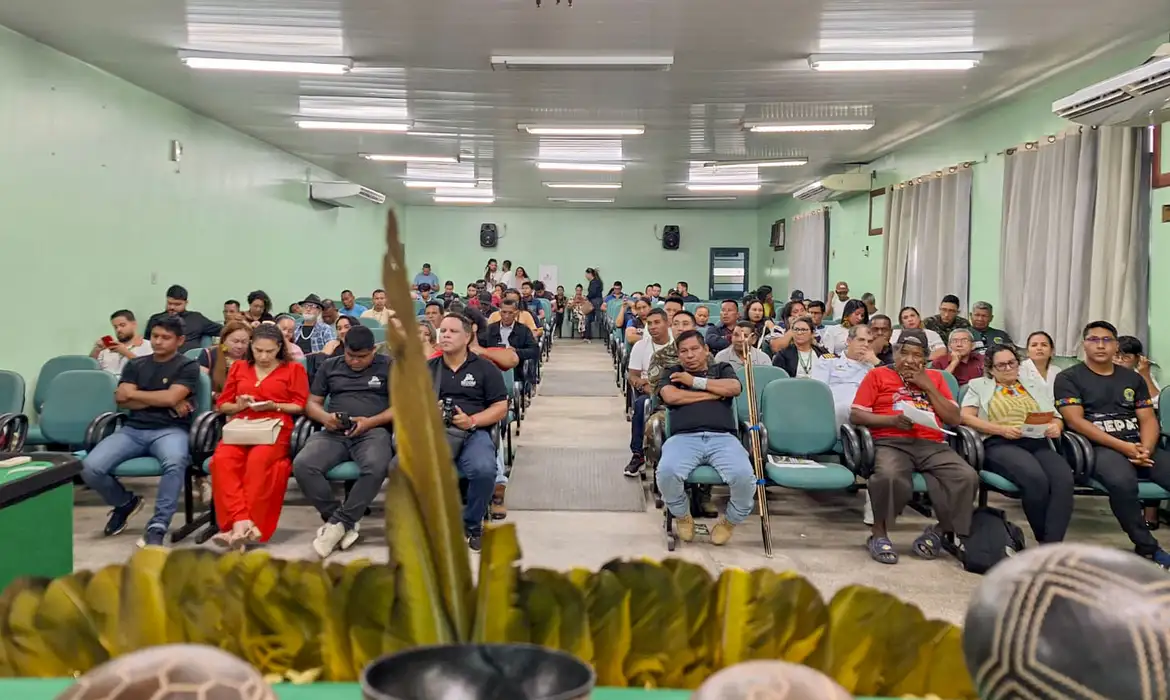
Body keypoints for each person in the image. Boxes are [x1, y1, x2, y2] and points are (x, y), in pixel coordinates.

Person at [849, 328, 977, 565]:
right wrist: (891, 421)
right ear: (895, 352)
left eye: (917, 355)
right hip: (891, 441)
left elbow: (953, 418)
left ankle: (939, 532)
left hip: (932, 443)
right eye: (904, 353)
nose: (909, 360)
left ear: (925, 358)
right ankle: (879, 534)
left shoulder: (936, 378)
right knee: (888, 476)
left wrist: (928, 387)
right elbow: (856, 415)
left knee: (966, 477)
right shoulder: (878, 375)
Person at [1055, 321, 1170, 568]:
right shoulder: (1068, 378)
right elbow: (1076, 422)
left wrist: (1146, 448)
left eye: (1107, 340)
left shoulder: (1133, 378)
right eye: (1093, 339)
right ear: (1084, 345)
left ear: (1116, 345)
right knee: (1123, 482)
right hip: (1096, 448)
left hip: (1138, 445)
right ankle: (1147, 546)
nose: (1100, 345)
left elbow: (1148, 419)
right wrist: (1124, 447)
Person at [80, 316, 200, 547]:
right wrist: (163, 399)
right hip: (133, 430)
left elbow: (169, 397)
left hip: (170, 430)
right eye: (155, 336)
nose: (158, 341)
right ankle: (125, 502)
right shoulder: (136, 364)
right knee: (89, 467)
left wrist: (140, 395)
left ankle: (158, 525)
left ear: (180, 340)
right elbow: (122, 399)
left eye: (166, 337)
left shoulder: (187, 366)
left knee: (175, 462)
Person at [293, 325, 394, 558]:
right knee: (303, 465)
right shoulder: (330, 366)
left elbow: (400, 407)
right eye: (350, 355)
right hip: (334, 431)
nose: (355, 361)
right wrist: (325, 418)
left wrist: (370, 422)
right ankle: (340, 521)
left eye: (362, 357)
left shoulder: (389, 366)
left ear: (374, 350)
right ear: (344, 348)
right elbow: (312, 403)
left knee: (376, 466)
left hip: (373, 430)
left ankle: (339, 523)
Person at [207, 324, 308, 549]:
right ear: (251, 346)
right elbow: (223, 404)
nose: (263, 356)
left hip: (276, 427)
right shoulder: (239, 367)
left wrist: (274, 405)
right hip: (242, 425)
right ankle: (242, 523)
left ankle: (236, 528)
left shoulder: (293, 369)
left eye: (269, 351)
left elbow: (299, 405)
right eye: (258, 350)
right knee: (221, 460)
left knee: (258, 462)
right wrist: (239, 406)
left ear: (279, 348)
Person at [961, 344, 1072, 543]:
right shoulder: (978, 385)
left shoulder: (1032, 385)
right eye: (1001, 365)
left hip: (1037, 440)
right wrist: (1000, 429)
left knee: (1063, 480)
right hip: (1000, 443)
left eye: (1012, 363)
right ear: (991, 369)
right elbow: (966, 417)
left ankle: (1052, 544)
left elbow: (1056, 417)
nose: (1008, 368)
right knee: (1035, 478)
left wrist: (1056, 426)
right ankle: (1046, 540)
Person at [656, 331, 756, 545]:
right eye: (683, 351)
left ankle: (729, 522)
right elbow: (671, 396)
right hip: (683, 438)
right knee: (666, 473)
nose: (689, 355)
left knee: (744, 477)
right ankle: (682, 515)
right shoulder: (672, 372)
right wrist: (712, 394)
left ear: (706, 350)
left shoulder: (721, 369)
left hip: (723, 438)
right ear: (678, 355)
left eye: (694, 349)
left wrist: (693, 381)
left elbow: (734, 388)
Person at [429, 314, 510, 551]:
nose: (445, 335)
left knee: (484, 469)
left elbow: (500, 407)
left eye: (452, 331)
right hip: (435, 434)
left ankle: (472, 525)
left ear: (467, 337)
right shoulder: (427, 369)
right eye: (443, 331)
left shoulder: (485, 368)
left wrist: (472, 420)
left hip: (473, 432)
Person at [625, 308, 674, 477]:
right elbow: (633, 375)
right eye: (649, 323)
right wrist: (643, 385)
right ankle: (637, 454)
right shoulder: (641, 346)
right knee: (641, 404)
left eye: (657, 322)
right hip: (649, 393)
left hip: (674, 390)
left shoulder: (677, 345)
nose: (652, 327)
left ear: (667, 323)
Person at [811, 324, 880, 426]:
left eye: (869, 341)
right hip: (834, 412)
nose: (866, 345)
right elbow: (818, 391)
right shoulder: (829, 361)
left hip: (863, 411)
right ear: (849, 341)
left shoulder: (873, 367)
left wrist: (876, 362)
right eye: (861, 340)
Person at [145, 284, 223, 354]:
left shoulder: (196, 318)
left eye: (177, 304)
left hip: (190, 360)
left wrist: (217, 348)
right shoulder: (155, 319)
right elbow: (147, 343)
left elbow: (224, 331)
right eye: (169, 303)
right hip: (161, 359)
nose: (172, 307)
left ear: (186, 303)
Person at [91, 310, 153, 376]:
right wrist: (96, 350)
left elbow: (149, 371)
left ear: (134, 324)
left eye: (122, 325)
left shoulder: (149, 346)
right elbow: (90, 370)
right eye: (115, 327)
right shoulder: (107, 349)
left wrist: (125, 352)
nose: (118, 330)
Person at [199, 320, 252, 397]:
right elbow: (201, 386)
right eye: (235, 341)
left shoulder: (252, 357)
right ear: (224, 339)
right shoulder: (208, 355)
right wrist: (217, 396)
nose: (239, 346)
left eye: (244, 342)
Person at [1115, 335, 1162, 409]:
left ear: (1138, 358)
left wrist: (1145, 375)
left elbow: (1157, 402)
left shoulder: (1141, 374)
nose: (1119, 361)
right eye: (1116, 356)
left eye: (1126, 357)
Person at [584, 267, 603, 342]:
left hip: (595, 302)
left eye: (586, 274)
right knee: (588, 318)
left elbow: (593, 293)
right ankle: (587, 336)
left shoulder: (594, 282)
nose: (585, 276)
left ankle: (588, 336)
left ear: (590, 274)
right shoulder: (597, 281)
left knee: (598, 318)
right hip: (596, 301)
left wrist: (587, 297)